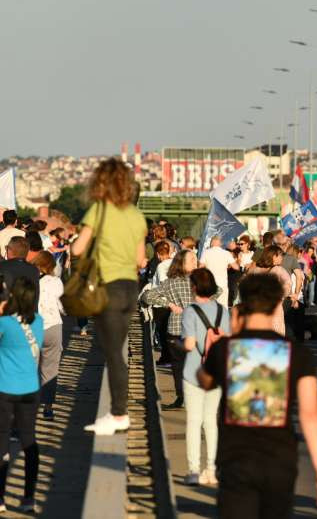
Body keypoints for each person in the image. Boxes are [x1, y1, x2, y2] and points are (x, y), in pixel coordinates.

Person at [198, 273, 317, 516]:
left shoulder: (226, 348)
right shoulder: (297, 353)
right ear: (276, 303)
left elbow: (205, 382)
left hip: (235, 459)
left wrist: (210, 349)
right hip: (279, 461)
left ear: (244, 302)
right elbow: (310, 416)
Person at [72, 158, 148, 436]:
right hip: (130, 288)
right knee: (117, 351)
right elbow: (140, 259)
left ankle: (118, 413)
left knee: (113, 353)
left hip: (109, 288)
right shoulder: (136, 215)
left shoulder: (99, 210)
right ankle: (118, 411)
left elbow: (77, 249)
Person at [180, 268, 231, 486]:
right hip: (216, 372)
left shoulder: (190, 311)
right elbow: (228, 340)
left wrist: (179, 344)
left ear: (194, 287)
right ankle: (211, 470)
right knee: (211, 421)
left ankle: (193, 471)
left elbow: (189, 344)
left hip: (194, 372)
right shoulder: (222, 311)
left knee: (194, 421)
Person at [0, 278, 44, 514]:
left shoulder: (5, 323)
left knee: (2, 441)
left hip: (5, 388)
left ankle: (0, 498)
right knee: (29, 440)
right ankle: (29, 498)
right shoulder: (39, 321)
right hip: (30, 389)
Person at [142, 249, 199, 410]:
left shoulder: (170, 282)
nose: (195, 261)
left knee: (178, 365)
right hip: (195, 327)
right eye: (192, 259)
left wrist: (169, 304)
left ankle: (182, 397)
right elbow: (217, 291)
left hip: (176, 328)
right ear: (182, 263)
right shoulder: (200, 280)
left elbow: (147, 296)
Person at [33, 252, 63, 421]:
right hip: (53, 326)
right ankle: (48, 407)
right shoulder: (56, 282)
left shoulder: (29, 280)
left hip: (33, 327)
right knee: (50, 369)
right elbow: (63, 307)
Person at [246, 245, 290, 336]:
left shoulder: (255, 271)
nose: (282, 258)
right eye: (280, 255)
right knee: (275, 334)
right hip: (273, 308)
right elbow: (288, 285)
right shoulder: (279, 270)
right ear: (274, 256)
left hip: (257, 308)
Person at [199, 235, 238, 307]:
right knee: (223, 307)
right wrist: (228, 266)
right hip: (222, 284)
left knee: (209, 306)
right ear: (220, 243)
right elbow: (236, 267)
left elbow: (200, 267)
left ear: (211, 243)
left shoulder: (206, 252)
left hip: (210, 284)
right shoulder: (226, 253)